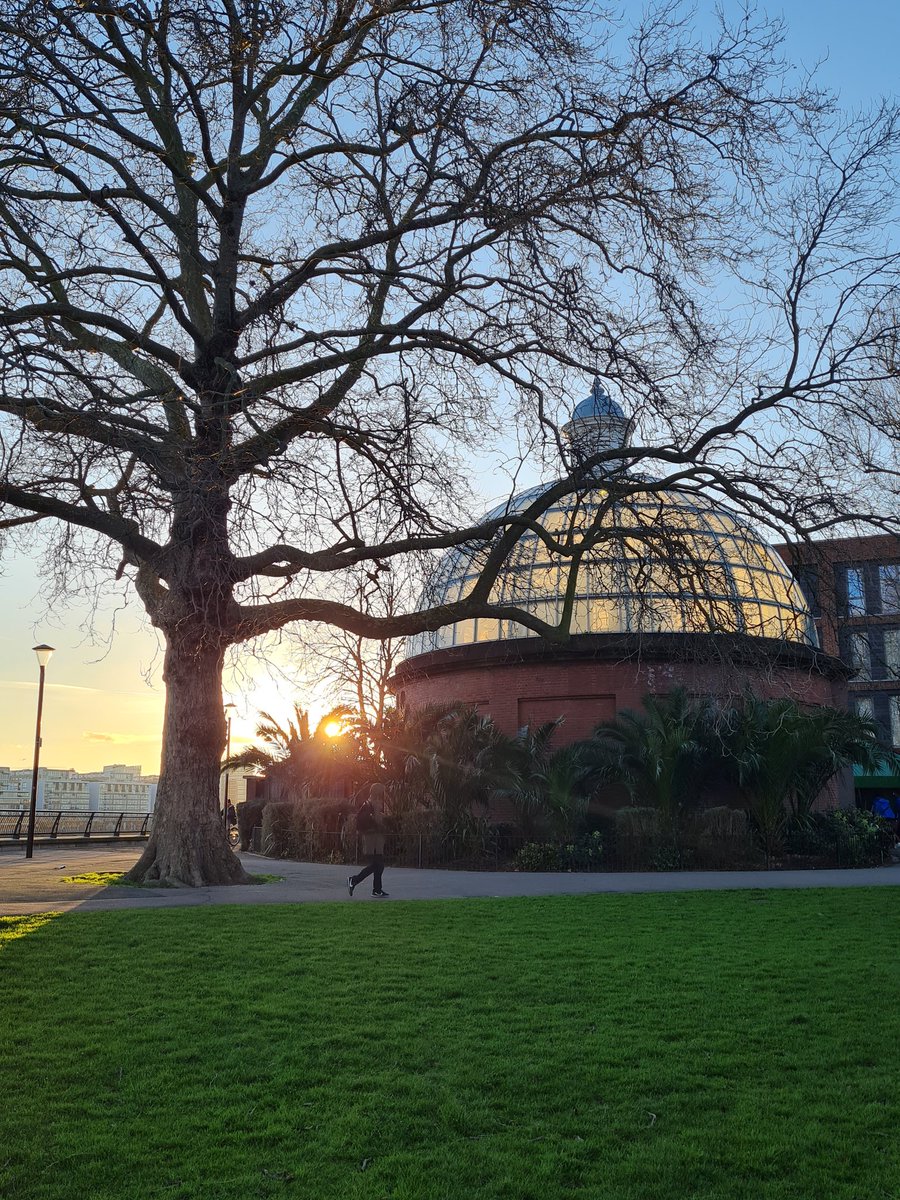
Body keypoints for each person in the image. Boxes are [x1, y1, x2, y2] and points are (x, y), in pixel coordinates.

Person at [348, 783, 389, 897]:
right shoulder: (374, 804)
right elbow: (377, 820)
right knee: (376, 865)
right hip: (372, 839)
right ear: (378, 792)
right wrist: (381, 815)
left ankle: (377, 890)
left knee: (378, 865)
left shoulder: (367, 803)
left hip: (372, 838)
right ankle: (354, 880)